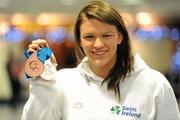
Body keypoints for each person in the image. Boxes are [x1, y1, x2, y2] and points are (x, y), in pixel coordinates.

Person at [21, 1, 180, 120]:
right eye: (89, 37)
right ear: (80, 41)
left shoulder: (154, 84)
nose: (98, 44)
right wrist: (43, 81)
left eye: (106, 35)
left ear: (119, 37)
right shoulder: (63, 82)